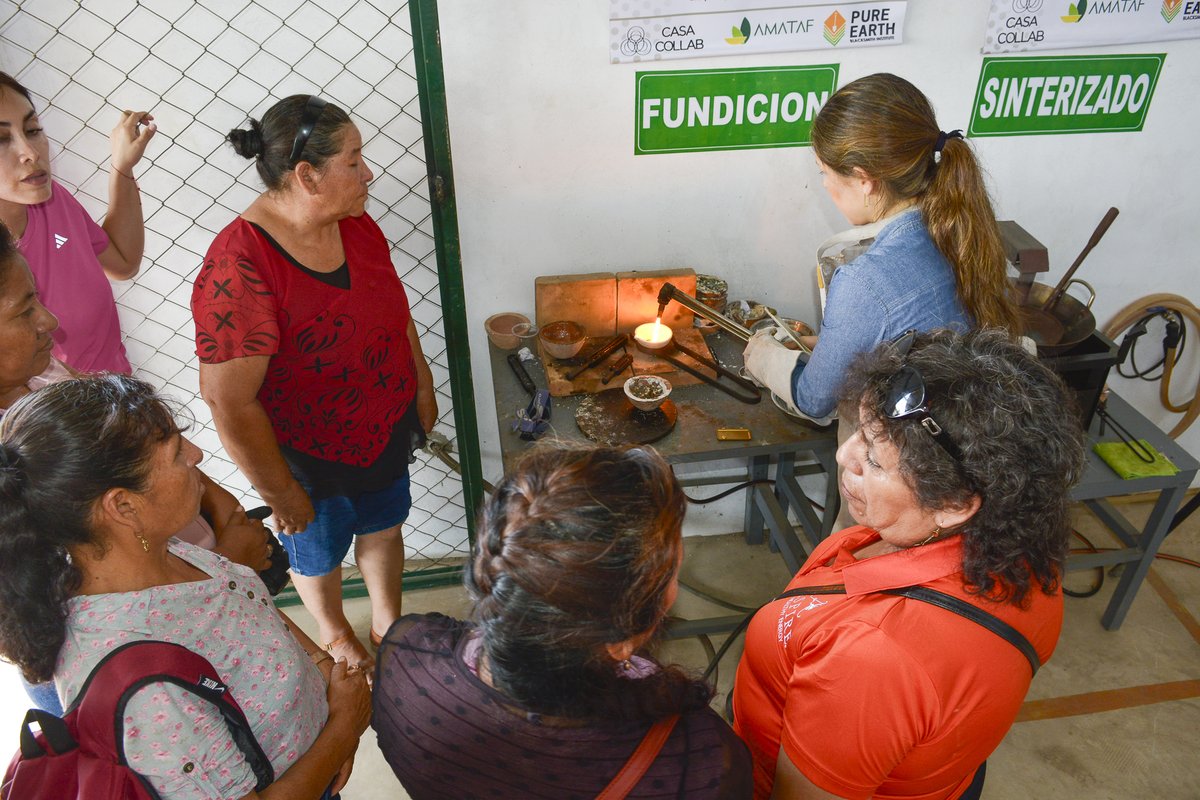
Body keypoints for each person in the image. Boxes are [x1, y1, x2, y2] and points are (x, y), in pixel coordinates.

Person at [731, 328, 1086, 800]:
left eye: (874, 461)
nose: (844, 454)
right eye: (859, 430)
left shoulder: (872, 664)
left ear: (955, 503)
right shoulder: (1024, 559)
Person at [0, 375, 371, 799]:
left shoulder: (161, 549)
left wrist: (326, 680)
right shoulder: (144, 695)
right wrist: (343, 731)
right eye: (177, 453)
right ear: (123, 505)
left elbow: (241, 601)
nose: (196, 455)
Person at [192, 95, 437, 671]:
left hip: (381, 424)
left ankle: (386, 621)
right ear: (307, 175)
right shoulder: (240, 265)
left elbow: (394, 312)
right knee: (318, 551)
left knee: (384, 522)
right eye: (354, 161)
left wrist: (420, 385)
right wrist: (280, 492)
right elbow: (227, 399)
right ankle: (332, 630)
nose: (367, 173)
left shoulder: (355, 224)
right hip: (306, 451)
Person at [0, 220, 280, 716]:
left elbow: (147, 439)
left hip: (195, 575)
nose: (49, 320)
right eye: (24, 311)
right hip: (152, 647)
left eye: (36, 297)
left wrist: (221, 507)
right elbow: (70, 608)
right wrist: (227, 569)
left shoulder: (43, 371)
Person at [373, 444, 753, 799]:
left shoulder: (405, 656)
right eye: (672, 573)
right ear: (620, 641)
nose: (674, 586)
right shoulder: (701, 763)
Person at [743, 73, 1020, 422]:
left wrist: (766, 357)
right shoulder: (962, 231)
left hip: (906, 461)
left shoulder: (865, 283)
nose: (825, 185)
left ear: (864, 180)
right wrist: (831, 348)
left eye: (823, 173)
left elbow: (814, 400)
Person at [0, 71, 156, 374]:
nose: (31, 153)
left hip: (121, 397)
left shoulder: (50, 200)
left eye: (32, 129)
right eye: (1, 140)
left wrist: (122, 167)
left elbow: (123, 263)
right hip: (63, 418)